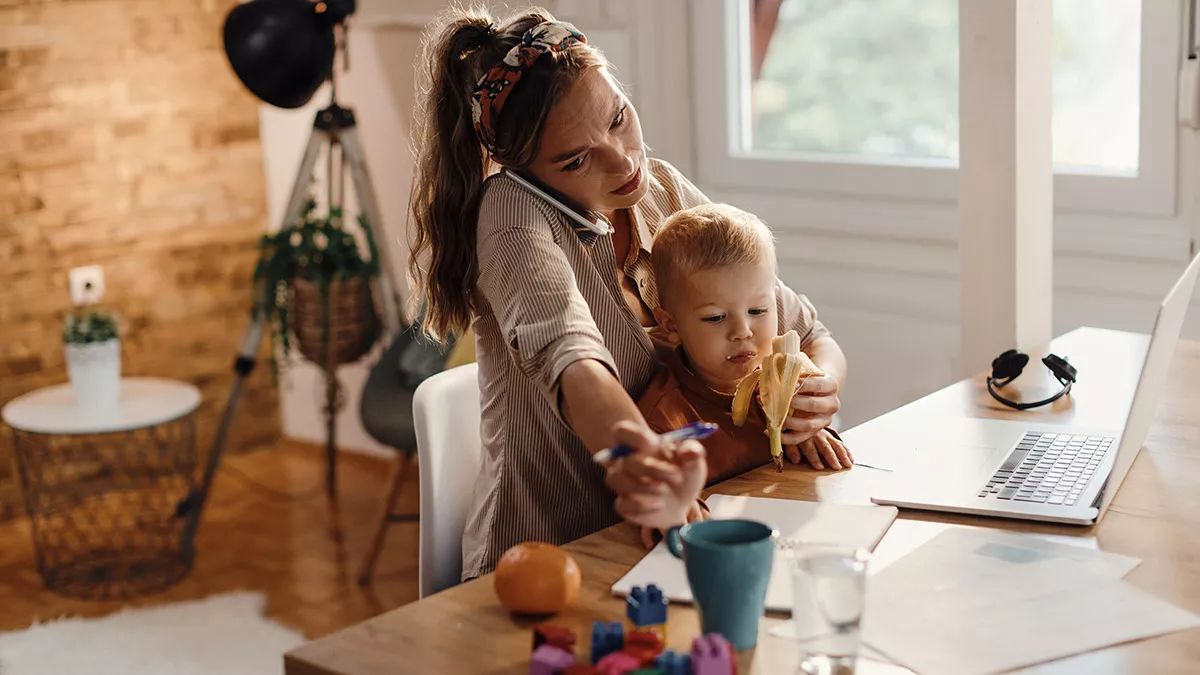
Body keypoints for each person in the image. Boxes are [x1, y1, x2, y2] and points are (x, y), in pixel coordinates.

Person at [408, 6, 848, 580]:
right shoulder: (512, 214)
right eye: (575, 159)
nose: (624, 161)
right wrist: (646, 461)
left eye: (618, 117)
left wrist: (818, 390)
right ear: (520, 169)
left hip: (679, 536)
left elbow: (807, 331)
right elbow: (573, 361)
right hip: (558, 558)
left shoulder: (657, 186)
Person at [638, 203, 854, 485]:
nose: (742, 332)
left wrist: (811, 432)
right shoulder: (663, 423)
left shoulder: (788, 392)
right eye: (715, 317)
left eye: (757, 311)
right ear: (671, 325)